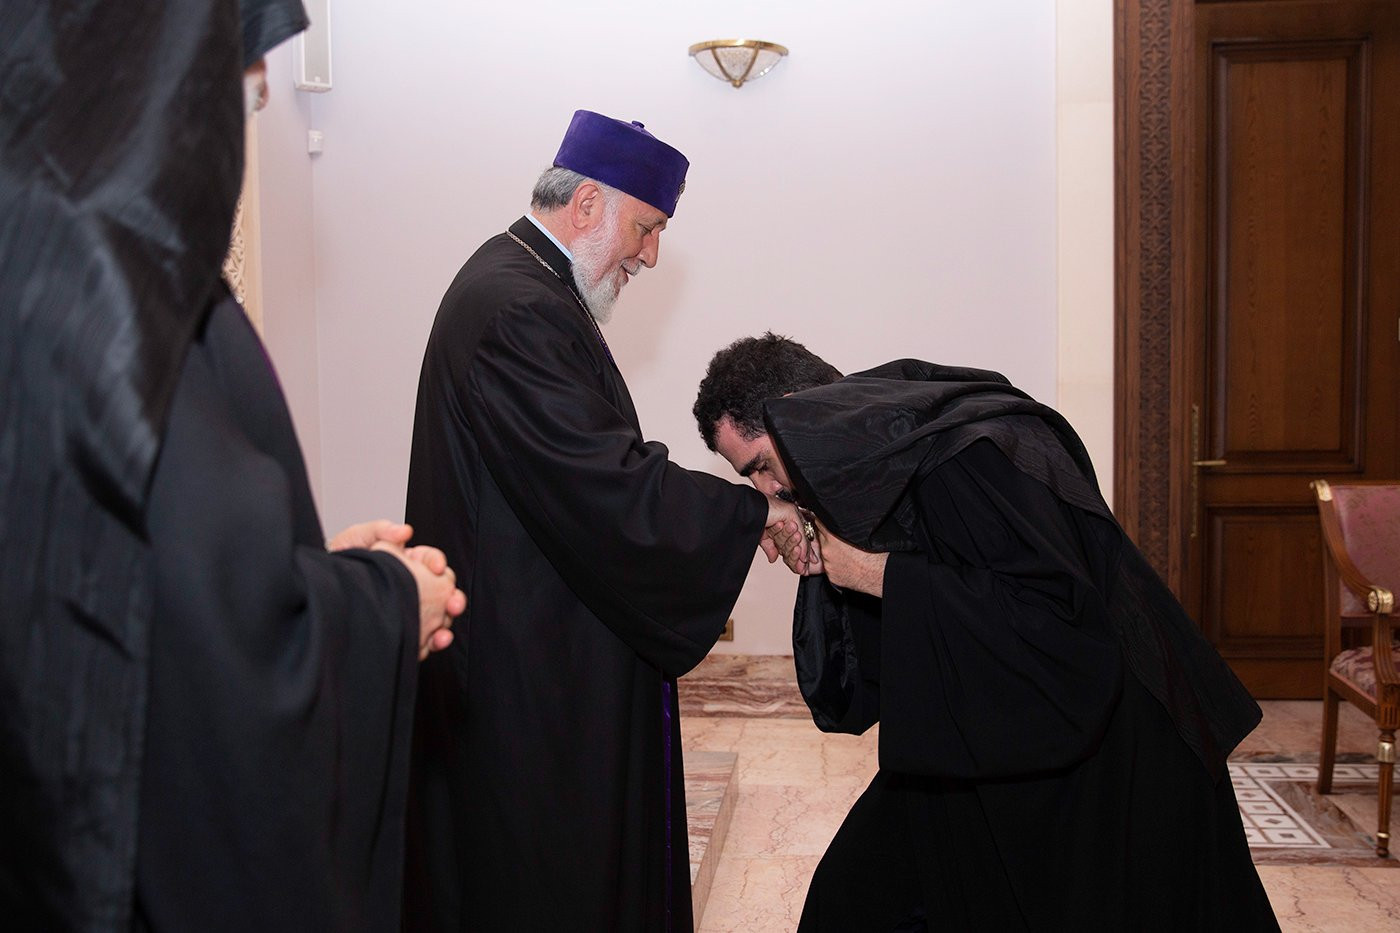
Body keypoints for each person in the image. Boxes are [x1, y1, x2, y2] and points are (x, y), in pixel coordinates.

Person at [0, 2, 464, 929]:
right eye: (243, 100)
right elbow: (213, 663)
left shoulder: (39, 259)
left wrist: (313, 570)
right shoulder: (111, 300)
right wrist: (384, 601)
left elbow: (136, 578)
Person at [692, 334, 1280, 932]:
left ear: (794, 413)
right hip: (986, 734)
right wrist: (834, 563)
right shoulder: (878, 461)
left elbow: (1056, 627)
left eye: (761, 465)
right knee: (855, 899)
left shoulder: (964, 452)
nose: (767, 490)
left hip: (1110, 759)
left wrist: (873, 573)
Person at [402, 112, 807, 931]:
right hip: (528, 690)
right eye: (648, 228)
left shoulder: (523, 288)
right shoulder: (517, 308)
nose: (650, 256)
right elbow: (606, 486)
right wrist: (753, 510)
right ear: (587, 203)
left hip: (540, 659)